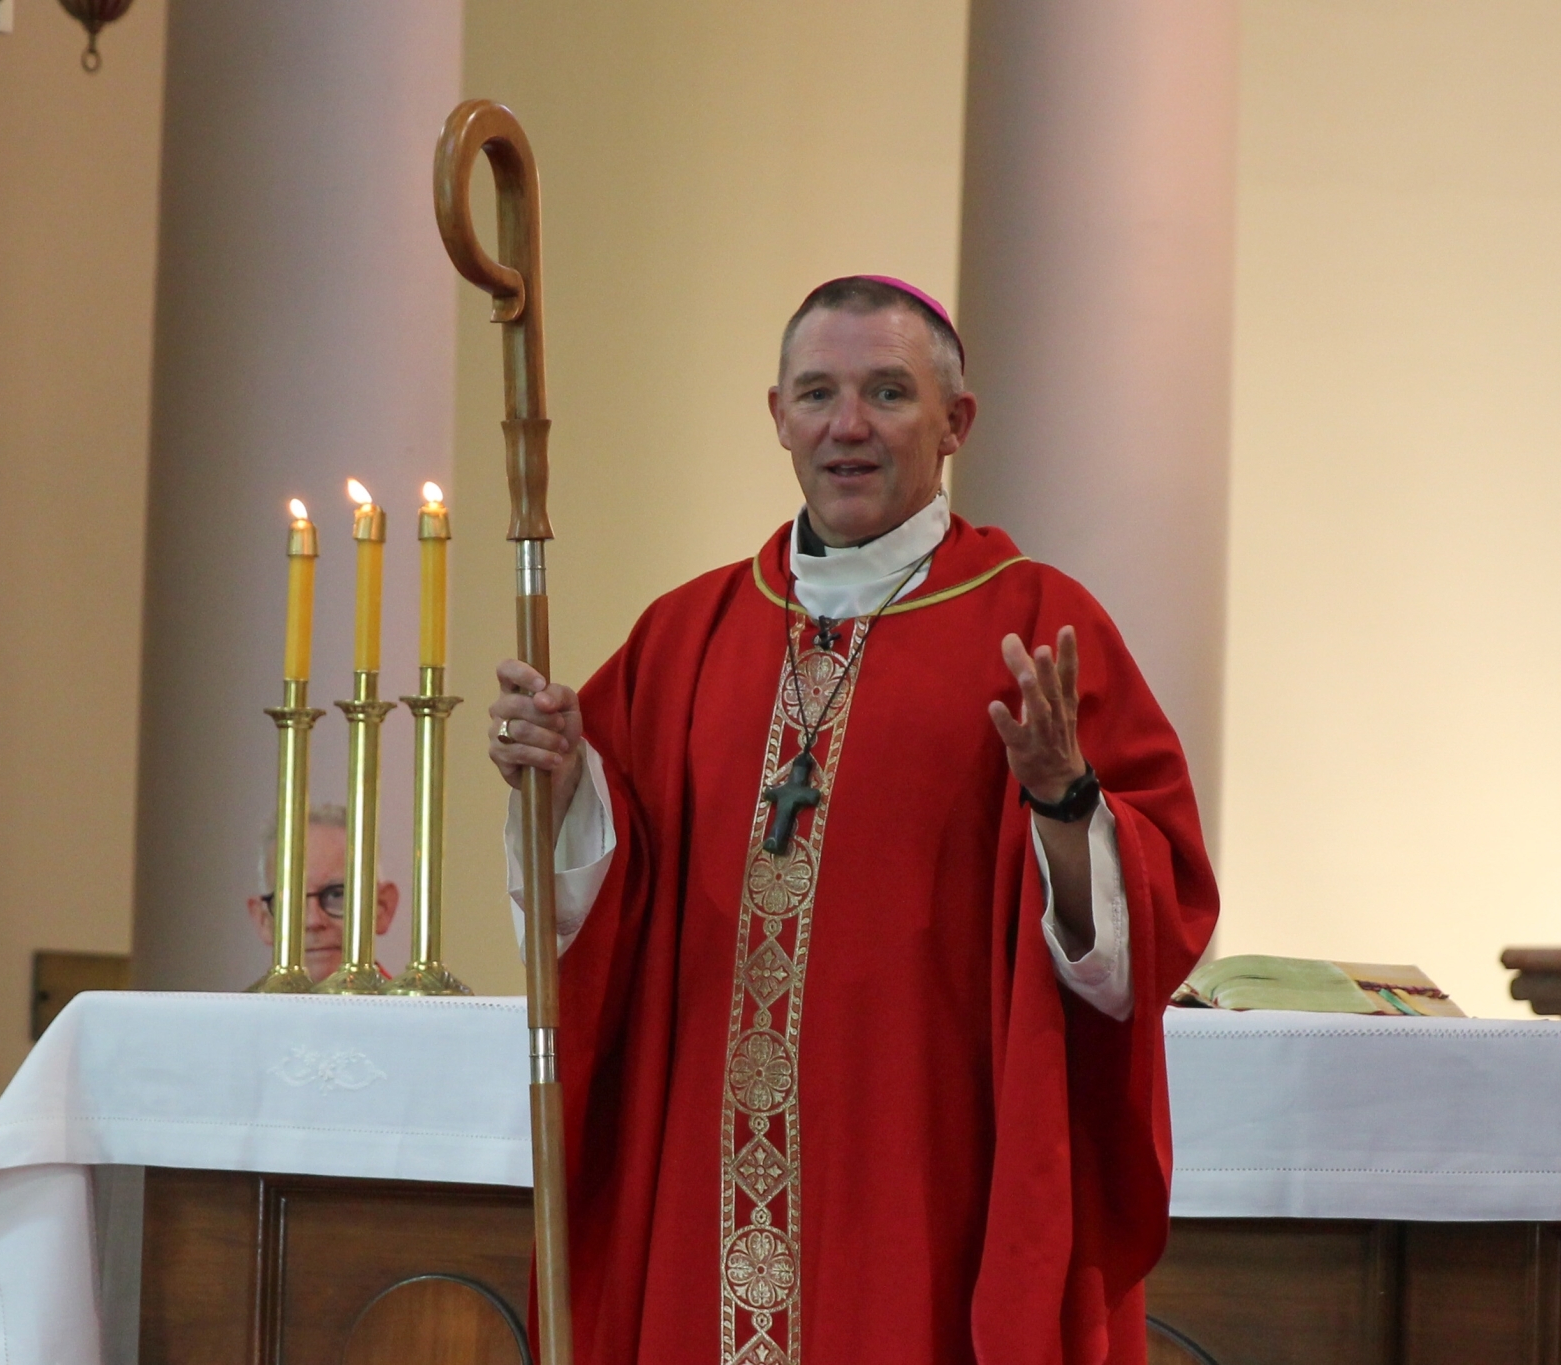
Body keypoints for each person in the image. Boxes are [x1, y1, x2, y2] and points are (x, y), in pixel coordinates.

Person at [486, 276, 1218, 1365]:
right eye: (817, 393)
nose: (847, 426)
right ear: (775, 415)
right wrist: (561, 786)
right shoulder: (687, 635)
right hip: (705, 1174)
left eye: (886, 393)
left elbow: (1133, 949)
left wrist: (1065, 800)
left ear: (954, 423)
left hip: (924, 1172)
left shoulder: (1035, 622)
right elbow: (599, 915)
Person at [246, 803, 399, 984]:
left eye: (336, 895)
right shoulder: (234, 1013)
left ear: (382, 907)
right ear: (264, 920)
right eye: (292, 900)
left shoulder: (419, 1012)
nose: (313, 921)